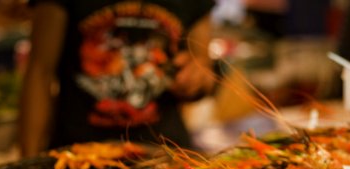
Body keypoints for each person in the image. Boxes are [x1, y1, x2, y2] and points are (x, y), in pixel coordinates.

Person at [19, 0, 215, 157]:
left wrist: (196, 79)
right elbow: (39, 72)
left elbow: (205, 69)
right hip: (79, 152)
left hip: (163, 151)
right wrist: (28, 159)